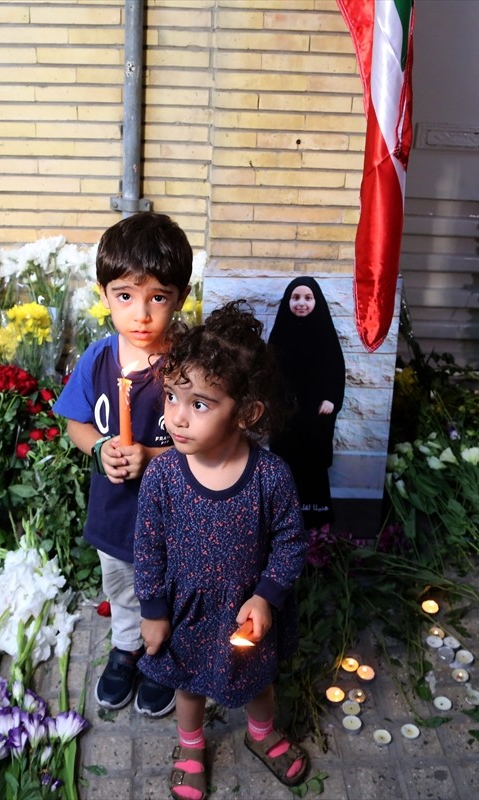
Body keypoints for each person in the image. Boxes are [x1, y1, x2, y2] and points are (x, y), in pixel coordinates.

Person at [135, 302, 310, 800]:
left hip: (244, 613)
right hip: (186, 611)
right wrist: (153, 610)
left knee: (257, 680)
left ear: (247, 412)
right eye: (172, 396)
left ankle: (261, 733)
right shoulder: (163, 475)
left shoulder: (270, 476)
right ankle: (191, 745)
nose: (177, 416)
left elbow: (290, 542)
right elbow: (147, 546)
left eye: (200, 405)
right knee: (188, 683)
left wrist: (266, 596)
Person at [53, 211, 192, 717]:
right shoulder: (97, 359)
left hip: (176, 516)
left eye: (158, 297)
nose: (142, 314)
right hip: (115, 511)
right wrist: (99, 448)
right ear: (104, 294)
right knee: (122, 585)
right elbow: (76, 424)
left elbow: (211, 441)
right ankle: (127, 647)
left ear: (181, 297)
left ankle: (163, 654)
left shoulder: (190, 365)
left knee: (172, 586)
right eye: (126, 296)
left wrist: (153, 456)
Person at [267, 276, 345, 528]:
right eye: (296, 297)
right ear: (288, 301)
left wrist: (332, 398)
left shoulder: (324, 333)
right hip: (286, 413)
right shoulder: (281, 333)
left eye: (308, 298)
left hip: (316, 412)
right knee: (286, 460)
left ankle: (316, 513)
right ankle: (283, 514)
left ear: (316, 301)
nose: (301, 303)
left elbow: (336, 369)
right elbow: (270, 371)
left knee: (313, 462)